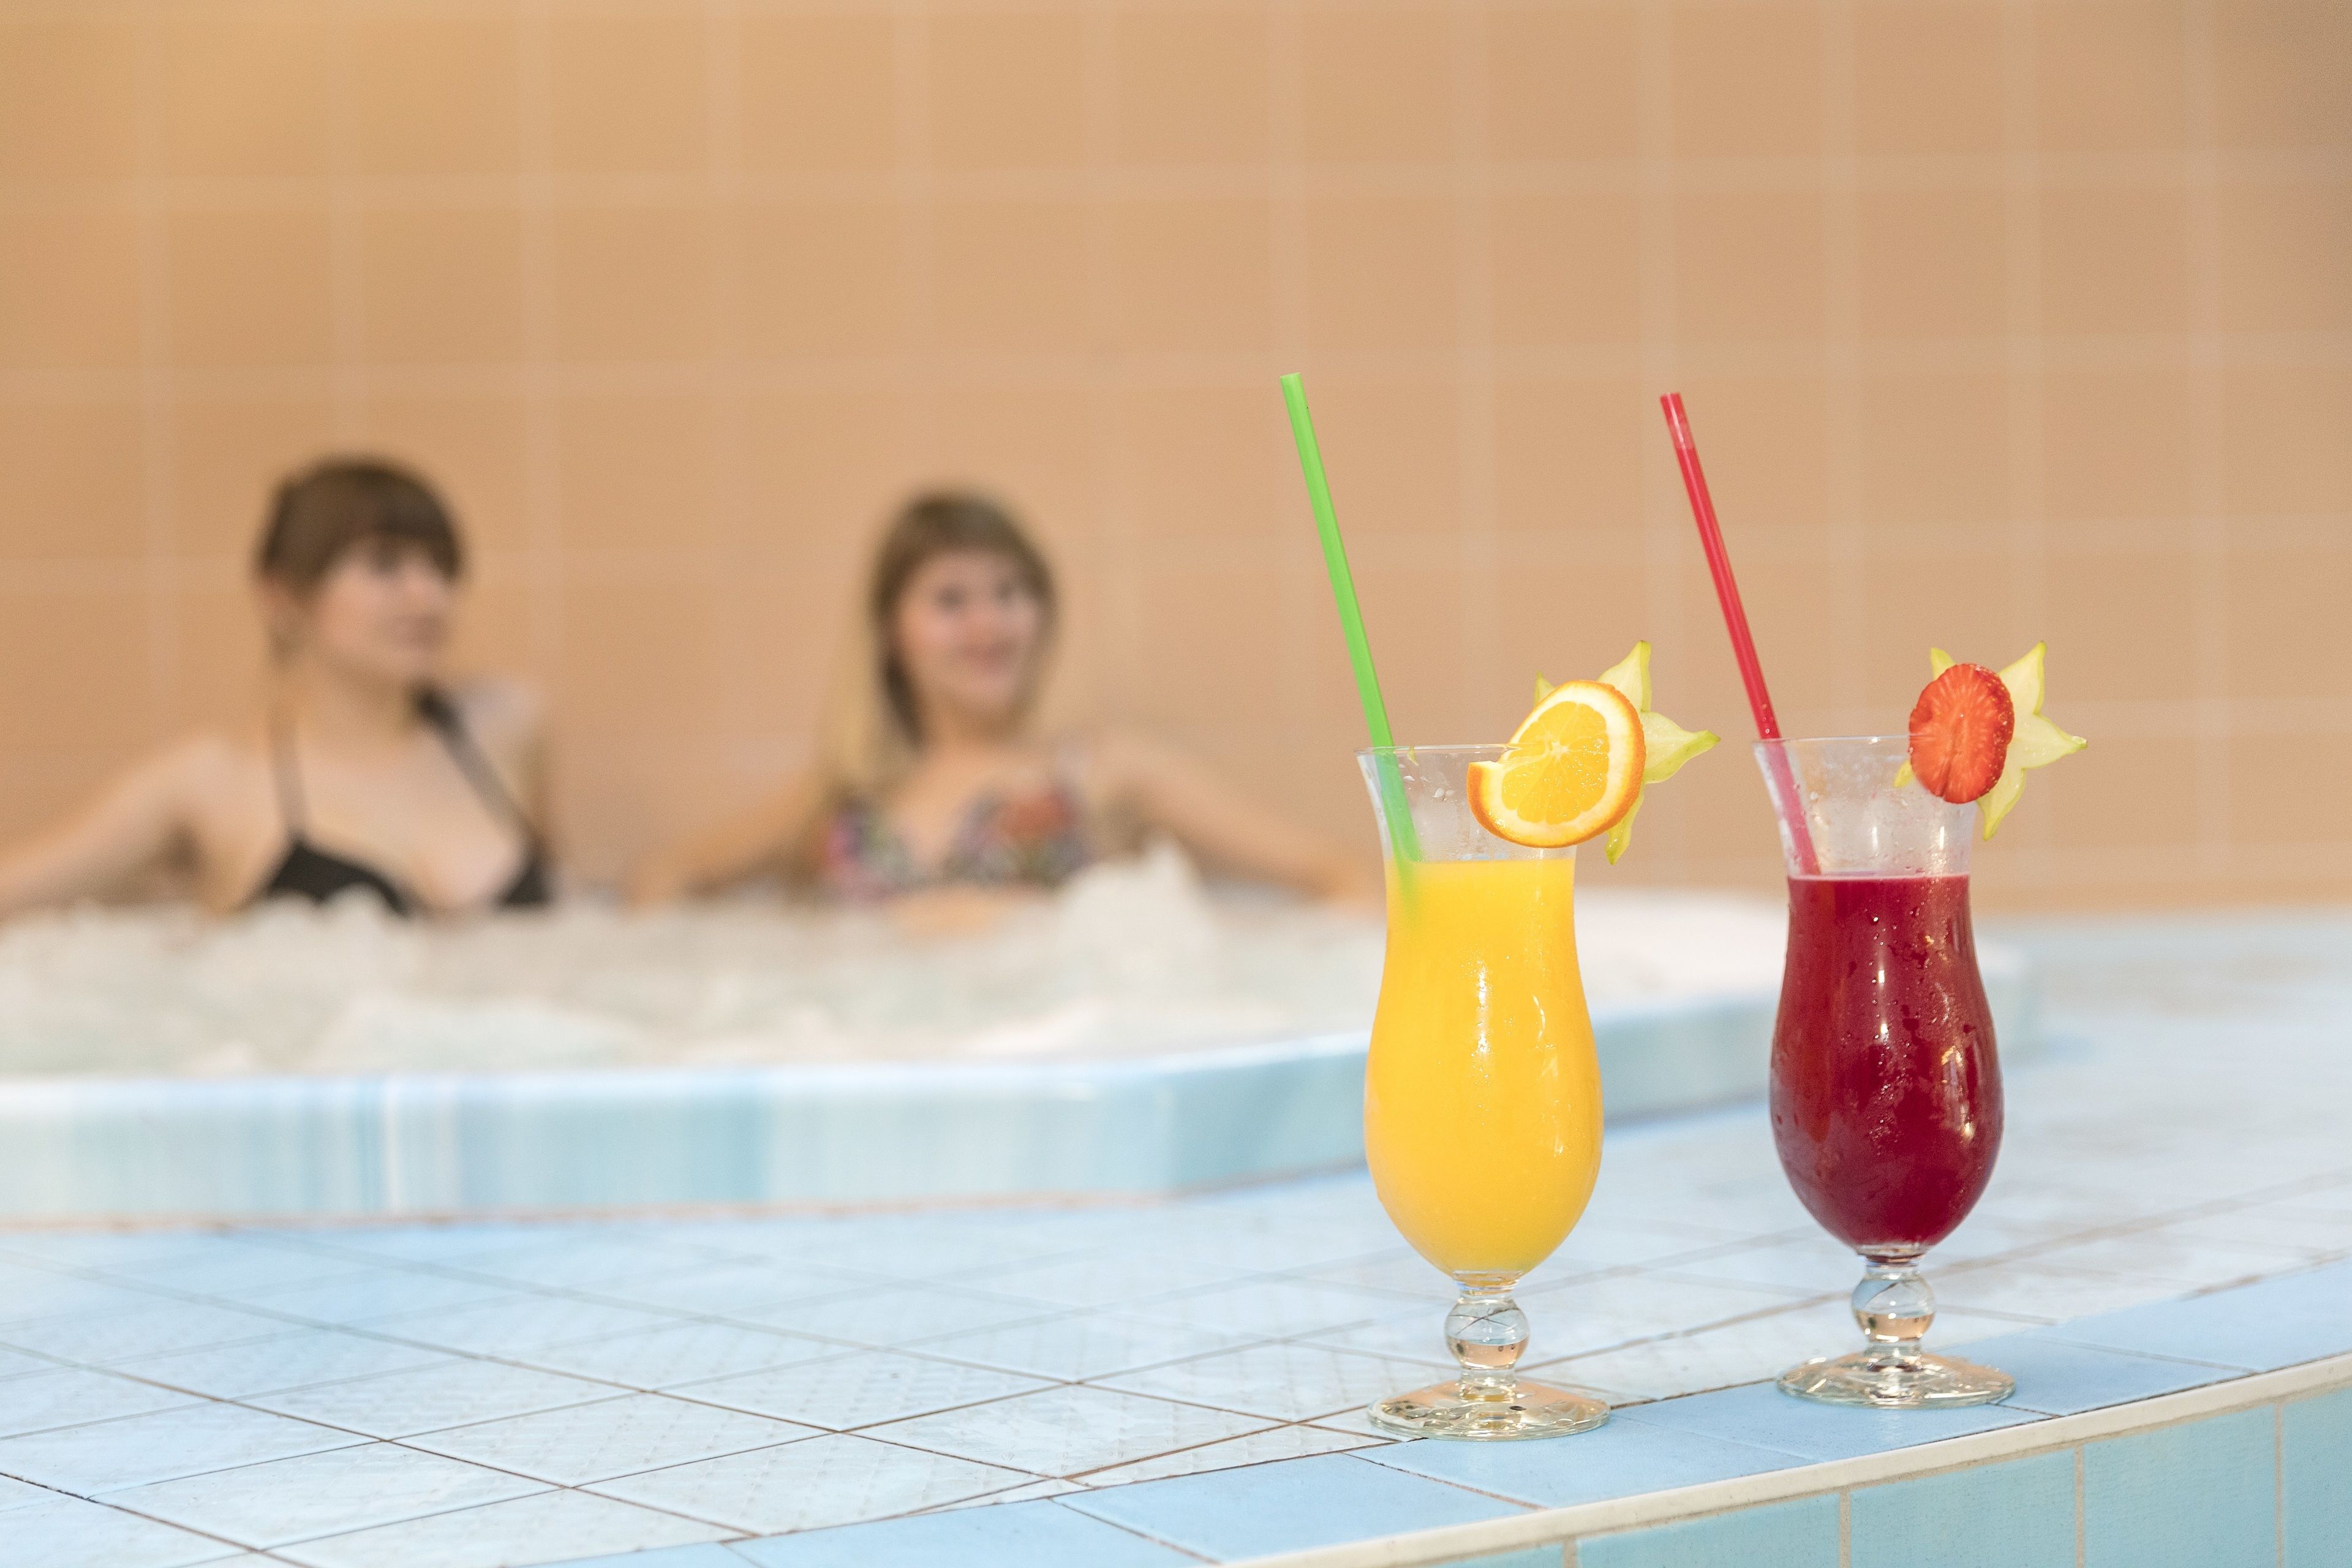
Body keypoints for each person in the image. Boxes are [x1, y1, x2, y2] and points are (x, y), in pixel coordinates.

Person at [630, 491, 1368, 919]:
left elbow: (1338, 874)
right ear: (891, 631)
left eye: (1010, 593)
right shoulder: (846, 793)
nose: (987, 625)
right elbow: (663, 879)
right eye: (951, 600)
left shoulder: (1102, 770)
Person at [0, 459, 550, 919]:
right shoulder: (212, 781)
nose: (427, 596)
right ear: (282, 594)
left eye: (441, 566)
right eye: (384, 565)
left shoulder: (504, 726)